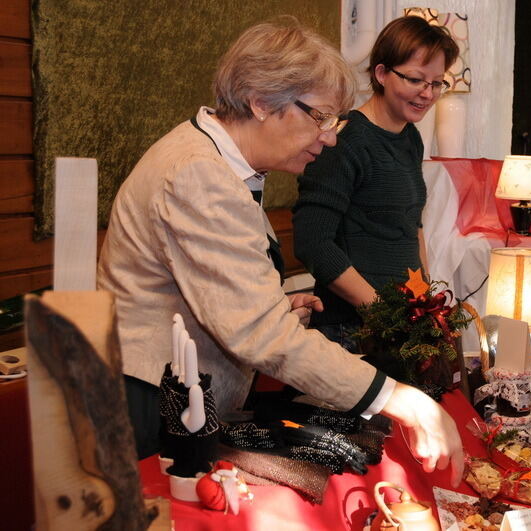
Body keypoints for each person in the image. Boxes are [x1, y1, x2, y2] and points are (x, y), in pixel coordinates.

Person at [97, 19, 463, 486]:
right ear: (262, 101)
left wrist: (276, 306)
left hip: (177, 399)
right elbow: (260, 334)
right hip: (151, 408)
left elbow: (213, 290)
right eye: (320, 117)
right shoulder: (197, 174)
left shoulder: (220, 162)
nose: (330, 137)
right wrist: (400, 400)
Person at [292, 16, 459, 350]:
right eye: (415, 79)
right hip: (351, 331)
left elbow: (412, 226)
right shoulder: (344, 138)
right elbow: (313, 242)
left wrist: (425, 304)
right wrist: (383, 314)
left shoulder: (410, 138)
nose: (427, 93)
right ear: (381, 74)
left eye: (437, 83)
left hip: (400, 324)